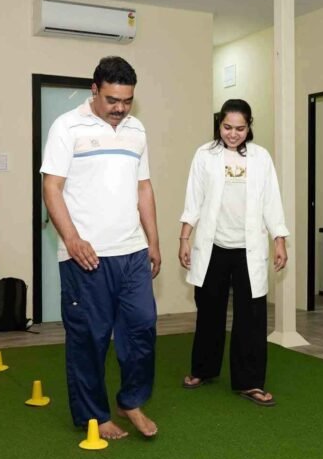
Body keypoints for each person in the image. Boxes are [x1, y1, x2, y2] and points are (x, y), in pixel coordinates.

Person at [40, 56, 161, 439]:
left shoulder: (136, 129)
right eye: (112, 100)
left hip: (132, 252)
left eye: (126, 101)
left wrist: (153, 240)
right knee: (89, 337)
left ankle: (131, 401)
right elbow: (51, 187)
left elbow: (143, 187)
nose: (120, 108)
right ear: (94, 90)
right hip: (86, 256)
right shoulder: (66, 127)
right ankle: (95, 415)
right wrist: (72, 240)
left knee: (142, 327)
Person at [178, 99, 288, 406]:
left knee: (250, 317)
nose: (233, 134)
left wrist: (279, 238)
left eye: (240, 128)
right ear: (219, 124)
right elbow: (194, 200)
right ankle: (203, 369)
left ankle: (249, 381)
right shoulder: (205, 155)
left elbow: (271, 201)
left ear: (250, 126)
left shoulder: (261, 158)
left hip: (248, 249)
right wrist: (184, 237)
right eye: (227, 127)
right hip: (213, 247)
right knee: (209, 312)